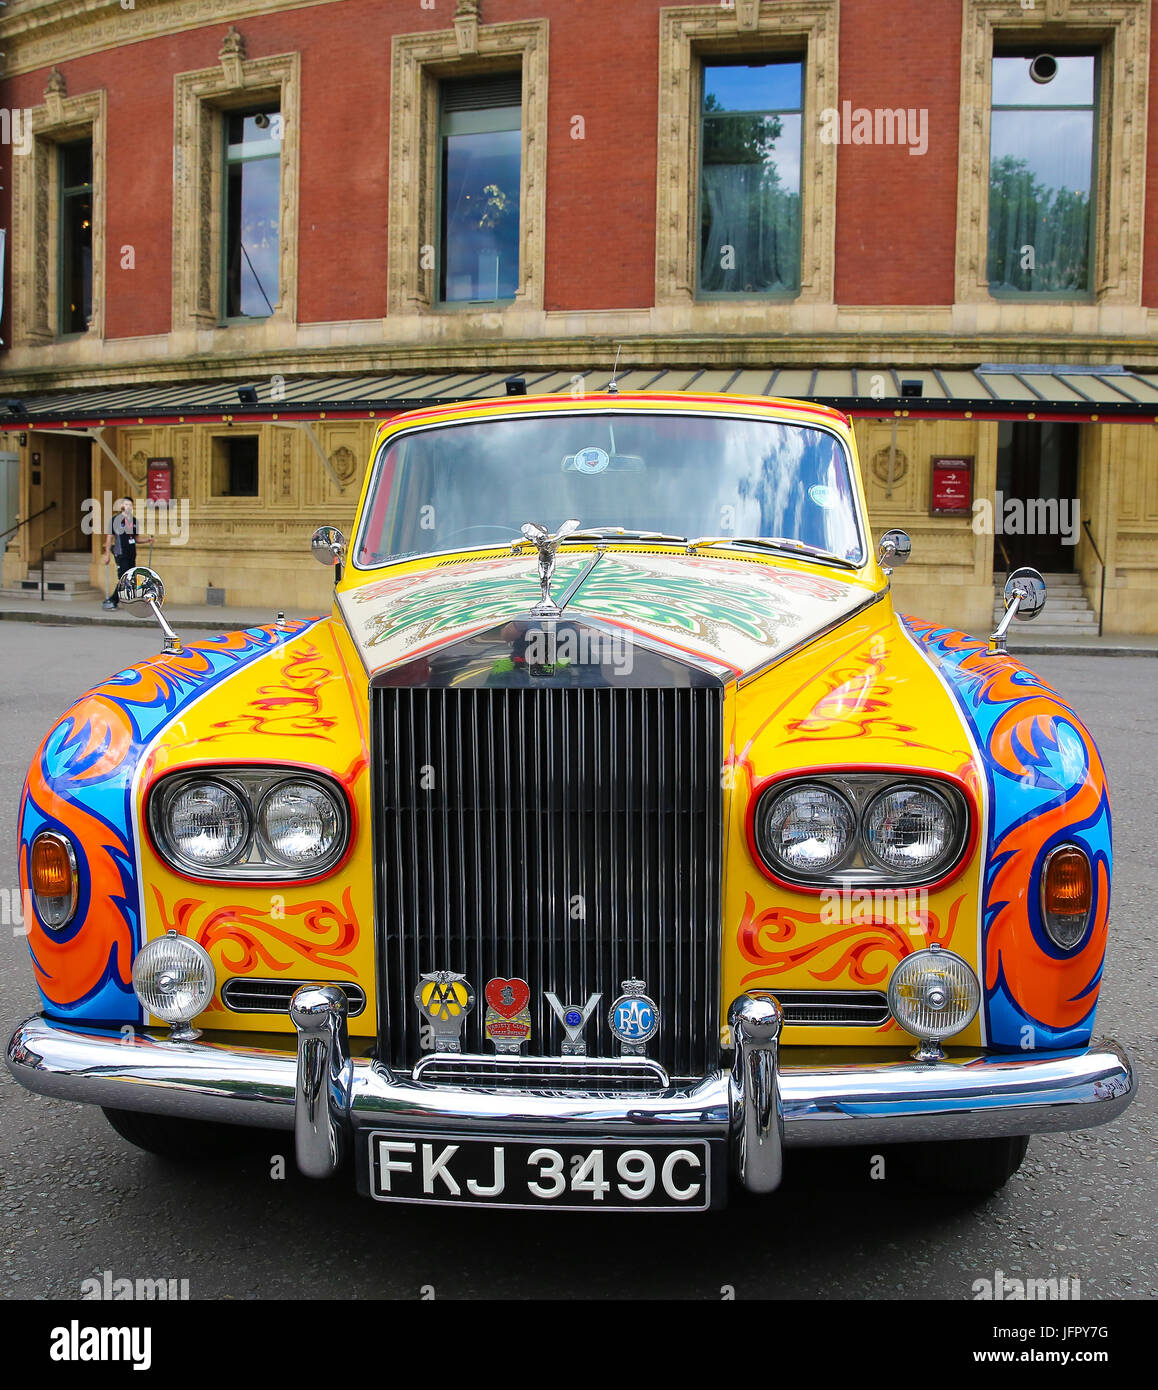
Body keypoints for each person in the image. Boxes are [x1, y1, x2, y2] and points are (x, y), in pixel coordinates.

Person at [102, 497, 150, 609]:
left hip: (131, 553)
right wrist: (107, 554)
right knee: (125, 578)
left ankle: (125, 600)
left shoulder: (134, 521)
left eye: (130, 504)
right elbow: (109, 538)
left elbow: (136, 538)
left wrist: (147, 540)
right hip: (120, 552)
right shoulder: (115, 520)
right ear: (122, 506)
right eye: (126, 504)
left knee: (131, 577)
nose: (128, 506)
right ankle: (112, 600)